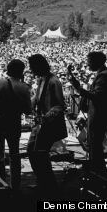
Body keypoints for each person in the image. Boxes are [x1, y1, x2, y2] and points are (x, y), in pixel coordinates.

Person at [69, 51, 107, 173]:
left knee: (95, 144)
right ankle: (97, 169)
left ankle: (98, 171)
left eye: (89, 61)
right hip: (98, 113)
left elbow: (97, 96)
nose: (88, 64)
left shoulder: (104, 75)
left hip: (100, 115)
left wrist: (78, 88)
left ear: (96, 61)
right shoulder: (104, 73)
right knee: (94, 144)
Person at [0, 59, 31, 191]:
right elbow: (28, 110)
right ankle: (15, 186)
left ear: (8, 69)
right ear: (21, 72)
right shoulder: (23, 87)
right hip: (13, 123)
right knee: (14, 155)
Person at [27, 54, 67, 195]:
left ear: (39, 66)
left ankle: (48, 186)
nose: (31, 70)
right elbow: (36, 98)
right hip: (41, 124)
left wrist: (45, 117)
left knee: (39, 154)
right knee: (34, 152)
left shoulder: (53, 81)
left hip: (49, 124)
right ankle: (45, 183)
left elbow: (59, 105)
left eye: (32, 67)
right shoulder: (41, 79)